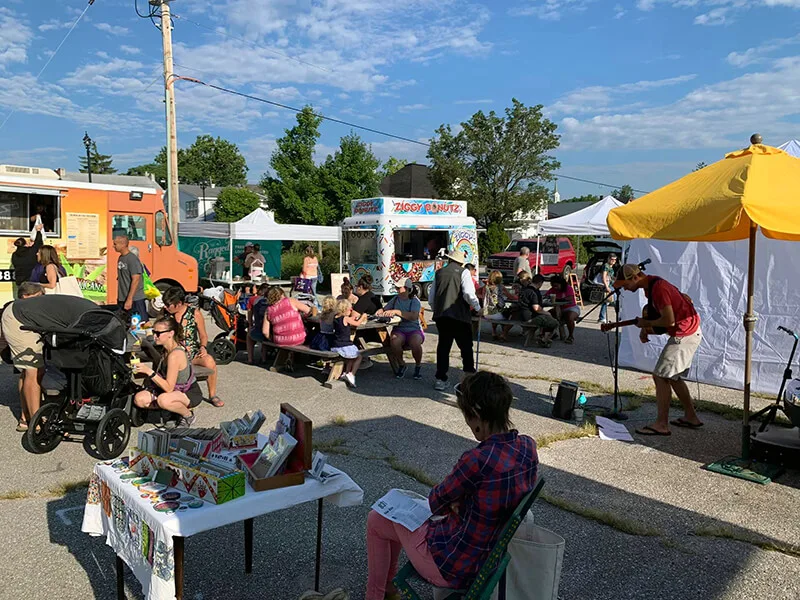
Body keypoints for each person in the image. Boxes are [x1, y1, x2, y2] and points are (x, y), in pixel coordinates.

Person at [365, 371, 538, 599]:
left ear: (476, 414)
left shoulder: (477, 460)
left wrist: (457, 502)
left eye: (467, 416)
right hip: (487, 558)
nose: (467, 423)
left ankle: (376, 595)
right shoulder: (527, 446)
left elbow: (436, 502)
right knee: (385, 519)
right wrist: (462, 503)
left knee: (376, 520)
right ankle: (387, 590)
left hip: (452, 565)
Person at [614, 264, 703, 436]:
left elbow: (668, 321)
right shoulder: (653, 285)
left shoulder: (658, 289)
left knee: (660, 376)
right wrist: (647, 328)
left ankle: (662, 424)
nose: (624, 288)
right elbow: (685, 299)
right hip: (689, 332)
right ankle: (691, 417)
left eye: (625, 284)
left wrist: (646, 324)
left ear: (635, 277)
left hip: (684, 335)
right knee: (673, 377)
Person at [133, 316, 201, 427]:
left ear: (170, 333)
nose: (154, 336)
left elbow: (169, 387)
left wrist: (149, 372)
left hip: (187, 392)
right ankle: (172, 412)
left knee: (163, 400)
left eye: (158, 333)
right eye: (153, 332)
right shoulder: (164, 349)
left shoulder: (175, 354)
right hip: (170, 391)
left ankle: (187, 415)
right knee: (139, 399)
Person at [162, 287, 223, 408]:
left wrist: (203, 347)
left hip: (191, 352)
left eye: (168, 305)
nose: (165, 307)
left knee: (209, 361)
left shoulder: (194, 313)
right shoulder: (165, 315)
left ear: (178, 304)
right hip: (173, 354)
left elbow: (203, 335)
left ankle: (212, 395)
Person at [429, 249, 481, 391]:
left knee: (443, 347)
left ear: (449, 260)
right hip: (459, 316)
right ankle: (469, 376)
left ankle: (440, 378)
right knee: (465, 347)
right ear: (460, 262)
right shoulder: (463, 272)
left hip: (442, 316)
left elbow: (431, 297)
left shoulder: (439, 273)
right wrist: (477, 307)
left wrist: (436, 309)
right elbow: (468, 294)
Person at [1, 282, 45, 431]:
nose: (40, 300)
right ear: (25, 296)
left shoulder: (14, 307)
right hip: (23, 342)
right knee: (33, 373)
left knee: (25, 374)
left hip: (14, 346)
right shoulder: (22, 309)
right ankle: (35, 419)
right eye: (38, 297)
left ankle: (25, 416)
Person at [377, 278, 424, 380]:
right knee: (394, 341)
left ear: (406, 288)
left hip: (413, 328)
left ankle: (418, 365)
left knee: (415, 343)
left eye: (399, 287)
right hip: (399, 329)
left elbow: (413, 316)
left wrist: (397, 311)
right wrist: (379, 312)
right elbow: (385, 309)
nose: (396, 289)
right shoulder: (395, 298)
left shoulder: (414, 301)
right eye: (396, 287)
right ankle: (401, 364)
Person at [331, 298, 367, 387]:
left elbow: (346, 321)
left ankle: (346, 373)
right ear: (345, 309)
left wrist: (352, 318)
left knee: (350, 358)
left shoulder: (336, 317)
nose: (351, 310)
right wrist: (363, 317)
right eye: (350, 309)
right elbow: (357, 324)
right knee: (359, 357)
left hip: (336, 344)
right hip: (345, 344)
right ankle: (352, 374)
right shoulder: (346, 318)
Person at [113, 234, 148, 324]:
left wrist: (129, 299)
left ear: (123, 244)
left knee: (140, 324)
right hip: (123, 298)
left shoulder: (132, 259)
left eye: (115, 244)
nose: (113, 246)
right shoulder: (121, 258)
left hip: (135, 299)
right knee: (124, 324)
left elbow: (136, 279)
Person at [518, 273, 558, 347]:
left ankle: (543, 336)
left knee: (547, 319)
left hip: (521, 315)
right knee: (554, 322)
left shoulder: (524, 289)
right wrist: (546, 313)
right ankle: (544, 340)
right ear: (540, 283)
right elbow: (536, 308)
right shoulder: (534, 292)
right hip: (531, 318)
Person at [484, 270, 516, 341]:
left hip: (486, 313)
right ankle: (504, 333)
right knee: (512, 314)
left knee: (495, 311)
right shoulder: (501, 287)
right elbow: (511, 297)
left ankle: (494, 332)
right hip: (497, 314)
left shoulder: (486, 287)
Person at [11, 224, 44, 295]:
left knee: (23, 298)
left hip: (19, 282)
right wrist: (38, 231)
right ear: (26, 244)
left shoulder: (14, 255)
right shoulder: (31, 251)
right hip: (31, 281)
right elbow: (39, 243)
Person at [548, 275, 579, 344]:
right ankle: (552, 332)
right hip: (558, 308)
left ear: (561, 284)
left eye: (557, 286)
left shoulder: (568, 288)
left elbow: (570, 298)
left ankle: (571, 336)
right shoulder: (553, 289)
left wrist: (559, 299)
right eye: (553, 286)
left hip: (570, 307)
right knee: (547, 314)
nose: (555, 288)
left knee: (569, 317)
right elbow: (547, 295)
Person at [247, 283, 270, 364]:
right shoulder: (270, 301)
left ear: (259, 290)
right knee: (266, 333)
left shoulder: (253, 299)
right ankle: (263, 358)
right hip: (269, 333)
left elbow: (249, 313)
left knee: (249, 336)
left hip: (257, 331)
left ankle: (250, 358)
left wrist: (250, 324)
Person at [598, 253, 618, 324]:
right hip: (608, 286)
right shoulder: (606, 266)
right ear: (608, 259)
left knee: (614, 301)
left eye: (615, 260)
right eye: (612, 259)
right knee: (607, 301)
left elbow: (610, 276)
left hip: (612, 285)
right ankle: (602, 317)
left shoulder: (610, 266)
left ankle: (618, 316)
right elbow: (604, 276)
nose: (613, 261)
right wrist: (606, 287)